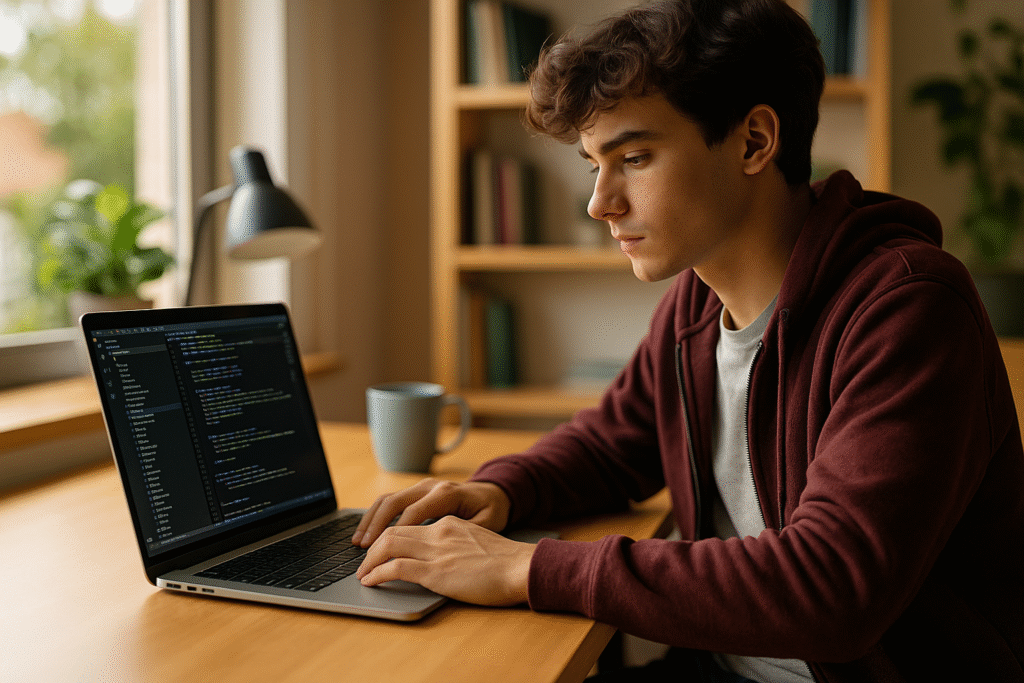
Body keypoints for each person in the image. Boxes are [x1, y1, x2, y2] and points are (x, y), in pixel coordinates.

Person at [354, 0, 1024, 680]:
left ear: (755, 142)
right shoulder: (695, 306)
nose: (600, 202)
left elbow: (831, 586)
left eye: (634, 157)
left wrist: (528, 566)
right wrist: (499, 491)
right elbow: (613, 442)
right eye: (594, 166)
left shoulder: (907, 308)